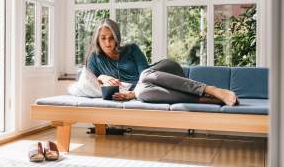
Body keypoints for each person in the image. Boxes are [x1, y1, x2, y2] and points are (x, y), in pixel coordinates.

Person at [86, 19, 238, 106]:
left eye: (111, 37)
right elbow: (86, 81)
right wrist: (101, 77)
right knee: (143, 93)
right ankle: (205, 99)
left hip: (166, 72)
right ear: (97, 40)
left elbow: (144, 74)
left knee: (144, 78)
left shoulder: (131, 49)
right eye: (103, 38)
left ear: (117, 37)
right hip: (151, 88)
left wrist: (132, 93)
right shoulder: (95, 58)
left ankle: (212, 90)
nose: (107, 42)